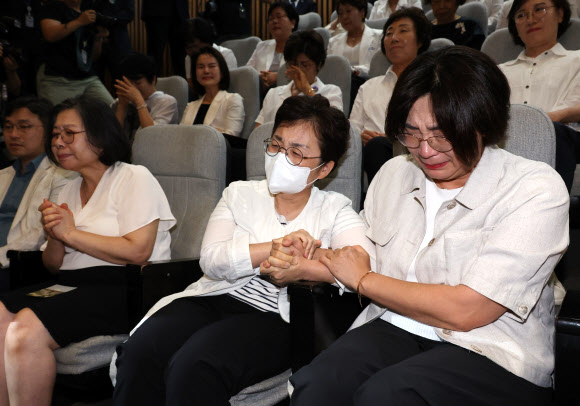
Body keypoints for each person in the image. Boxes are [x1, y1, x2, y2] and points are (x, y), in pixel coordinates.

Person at [289, 46, 569, 406]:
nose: (425, 150)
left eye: (441, 134)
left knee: (386, 396)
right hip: (399, 324)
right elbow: (362, 256)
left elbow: (470, 309)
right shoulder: (394, 174)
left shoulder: (534, 188)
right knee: (317, 383)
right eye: (411, 133)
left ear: (483, 123)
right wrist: (307, 262)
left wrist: (364, 281)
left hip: (492, 346)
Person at [111, 95, 375, 405]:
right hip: (217, 294)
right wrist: (275, 247)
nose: (280, 158)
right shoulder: (239, 193)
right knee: (140, 351)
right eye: (276, 145)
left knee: (195, 364)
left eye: (296, 153)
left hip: (280, 315)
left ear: (323, 168)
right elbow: (212, 259)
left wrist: (304, 266)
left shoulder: (335, 209)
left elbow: (361, 265)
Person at [0, 95, 175, 405]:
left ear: (100, 136)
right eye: (55, 134)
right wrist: (56, 236)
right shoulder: (67, 187)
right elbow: (53, 265)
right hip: (69, 284)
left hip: (124, 287)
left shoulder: (133, 177)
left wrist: (71, 233)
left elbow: (138, 252)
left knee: (24, 330)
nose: (59, 142)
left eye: (70, 133)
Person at [499, 0, 579, 191]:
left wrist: (549, 119)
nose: (531, 19)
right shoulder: (498, 72)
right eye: (521, 15)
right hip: (509, 141)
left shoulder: (577, 60)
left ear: (559, 15)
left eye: (539, 9)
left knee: (553, 132)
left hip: (567, 139)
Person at [349, 7, 432, 182]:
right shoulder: (369, 86)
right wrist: (360, 138)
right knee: (374, 146)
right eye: (389, 33)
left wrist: (395, 140)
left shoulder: (431, 82)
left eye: (403, 30)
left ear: (420, 40)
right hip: (372, 155)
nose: (394, 38)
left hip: (417, 153)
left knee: (378, 145)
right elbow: (352, 130)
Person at [0, 97, 74, 271]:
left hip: (19, 267)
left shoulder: (64, 175)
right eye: (8, 127)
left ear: (49, 131)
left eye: (24, 127)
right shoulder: (3, 175)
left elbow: (38, 237)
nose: (14, 134)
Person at [255, 30, 343, 127]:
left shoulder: (331, 92)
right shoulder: (273, 94)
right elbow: (258, 134)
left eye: (305, 65)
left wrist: (307, 90)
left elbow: (335, 127)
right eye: (293, 64)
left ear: (319, 64)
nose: (299, 70)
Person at [37, 0, 113, 105]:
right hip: (57, 79)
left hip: (87, 78)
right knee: (59, 118)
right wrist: (79, 22)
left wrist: (98, 38)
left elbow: (94, 57)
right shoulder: (53, 7)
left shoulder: (89, 9)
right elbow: (50, 35)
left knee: (112, 110)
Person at [328, 0, 382, 110]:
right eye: (340, 13)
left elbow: (377, 68)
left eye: (348, 11)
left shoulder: (379, 37)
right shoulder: (333, 42)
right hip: (340, 90)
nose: (344, 17)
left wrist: (354, 70)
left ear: (362, 12)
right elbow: (331, 72)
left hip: (368, 87)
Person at [181, 47, 245, 138]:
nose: (206, 71)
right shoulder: (190, 106)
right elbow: (180, 136)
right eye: (201, 67)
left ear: (222, 71)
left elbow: (231, 137)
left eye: (211, 66)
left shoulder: (232, 100)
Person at [112, 53, 178, 139]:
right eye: (128, 83)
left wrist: (138, 100)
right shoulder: (118, 103)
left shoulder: (167, 102)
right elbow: (112, 139)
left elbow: (151, 137)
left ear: (153, 80)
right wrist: (122, 106)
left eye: (137, 83)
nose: (132, 88)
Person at [247, 2, 299, 90]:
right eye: (271, 19)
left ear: (292, 23)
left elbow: (305, 73)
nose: (274, 21)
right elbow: (248, 72)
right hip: (261, 94)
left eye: (279, 17)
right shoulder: (261, 46)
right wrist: (260, 78)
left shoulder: (301, 47)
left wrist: (279, 76)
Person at [183, 17, 237, 93]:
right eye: (188, 48)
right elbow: (192, 87)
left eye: (195, 46)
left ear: (207, 42)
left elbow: (229, 86)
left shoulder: (226, 54)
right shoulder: (189, 57)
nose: (192, 51)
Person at [141, 0, 189, 77]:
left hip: (179, 12)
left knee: (181, 59)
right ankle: (153, 88)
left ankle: (183, 87)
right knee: (155, 57)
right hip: (155, 12)